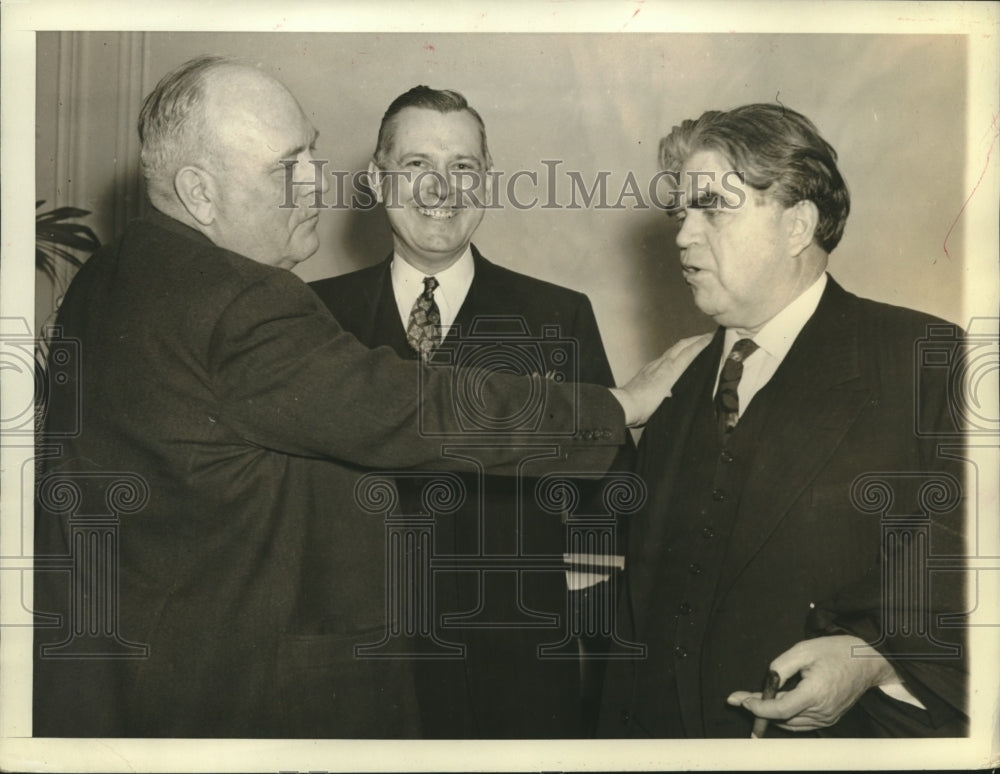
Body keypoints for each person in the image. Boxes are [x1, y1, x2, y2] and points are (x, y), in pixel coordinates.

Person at [31, 56, 703, 739]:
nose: (315, 182)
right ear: (201, 194)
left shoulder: (105, 278)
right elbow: (409, 411)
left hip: (144, 680)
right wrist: (616, 406)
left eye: (313, 152)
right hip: (248, 692)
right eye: (286, 165)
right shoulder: (251, 303)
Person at [599, 103, 968, 738]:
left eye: (712, 208)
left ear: (798, 223)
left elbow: (972, 578)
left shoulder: (924, 362)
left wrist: (873, 661)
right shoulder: (672, 383)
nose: (683, 235)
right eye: (679, 213)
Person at [309, 86, 629, 738]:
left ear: (486, 182)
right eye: (417, 164)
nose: (441, 188)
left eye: (462, 168)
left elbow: (608, 504)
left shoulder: (556, 317)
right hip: (352, 666)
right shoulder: (310, 317)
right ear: (376, 179)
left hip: (514, 673)